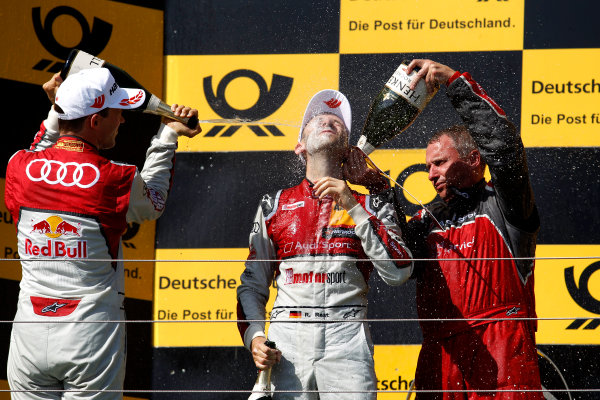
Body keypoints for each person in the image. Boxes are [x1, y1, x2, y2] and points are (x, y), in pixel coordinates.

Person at [4, 68, 201, 399]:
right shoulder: (115, 179)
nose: (122, 120)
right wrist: (168, 135)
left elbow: (42, 147)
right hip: (89, 338)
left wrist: (58, 108)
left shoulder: (18, 166)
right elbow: (153, 202)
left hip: (29, 336)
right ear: (95, 122)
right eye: (116, 112)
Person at [236, 89, 414, 399]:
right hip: (287, 343)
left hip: (347, 339)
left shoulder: (370, 204)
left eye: (337, 121)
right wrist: (255, 337)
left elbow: (400, 271)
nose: (327, 120)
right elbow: (251, 286)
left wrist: (351, 204)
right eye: (316, 119)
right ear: (299, 147)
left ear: (348, 149)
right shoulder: (273, 204)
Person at [399, 59, 543, 399]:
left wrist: (455, 83)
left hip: (503, 348)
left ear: (475, 160)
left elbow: (505, 150)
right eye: (427, 167)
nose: (431, 174)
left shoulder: (506, 203)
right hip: (441, 356)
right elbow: (393, 259)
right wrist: (377, 190)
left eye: (440, 162)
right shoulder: (424, 220)